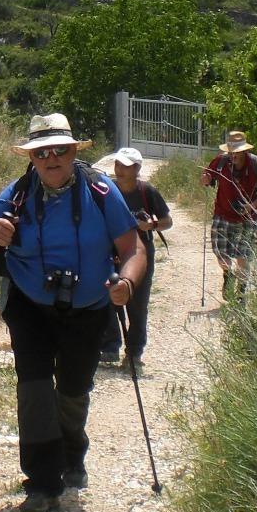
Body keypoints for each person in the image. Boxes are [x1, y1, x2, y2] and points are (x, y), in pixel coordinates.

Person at [0, 112, 143, 512]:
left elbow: (133, 249)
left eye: (60, 150)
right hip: (29, 305)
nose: (51, 158)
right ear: (31, 158)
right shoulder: (14, 195)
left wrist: (127, 285)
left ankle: (72, 453)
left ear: (72, 152)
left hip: (87, 308)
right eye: (41, 152)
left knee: (73, 389)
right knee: (33, 387)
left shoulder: (101, 191)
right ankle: (42, 483)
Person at [98, 146, 172, 370]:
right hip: (111, 253)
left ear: (137, 169)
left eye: (126, 166)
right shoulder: (107, 190)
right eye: (118, 164)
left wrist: (151, 225)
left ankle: (134, 353)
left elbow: (168, 221)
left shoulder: (147, 191)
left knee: (137, 305)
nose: (120, 169)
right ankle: (110, 347)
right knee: (108, 299)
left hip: (141, 256)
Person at [200, 130, 257, 299]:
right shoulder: (220, 162)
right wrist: (205, 179)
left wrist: (254, 205)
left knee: (243, 257)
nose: (233, 155)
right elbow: (206, 178)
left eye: (236, 152)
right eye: (231, 151)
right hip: (222, 215)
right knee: (222, 256)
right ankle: (228, 275)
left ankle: (241, 293)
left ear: (244, 151)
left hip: (247, 218)